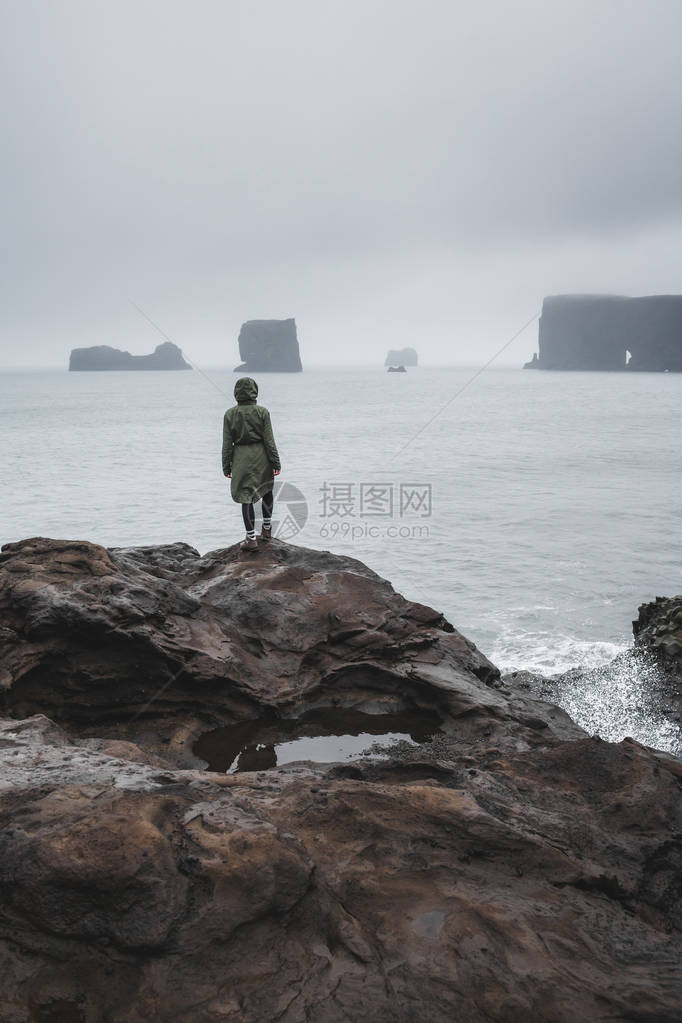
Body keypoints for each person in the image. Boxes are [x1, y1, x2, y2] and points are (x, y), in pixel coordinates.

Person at [222, 377, 281, 551]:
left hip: (240, 457)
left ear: (236, 393)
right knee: (267, 489)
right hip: (261, 455)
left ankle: (251, 538)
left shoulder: (230, 414)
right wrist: (275, 461)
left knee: (244, 496)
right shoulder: (263, 412)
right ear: (255, 391)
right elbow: (269, 440)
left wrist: (226, 465)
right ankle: (267, 529)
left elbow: (227, 444)